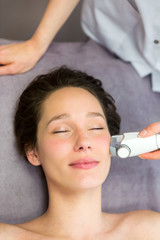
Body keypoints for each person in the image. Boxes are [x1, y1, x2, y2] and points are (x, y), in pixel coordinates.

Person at [0, 66, 160, 238]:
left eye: (96, 127)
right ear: (33, 152)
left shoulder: (150, 230)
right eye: (61, 130)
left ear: (113, 142)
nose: (84, 142)